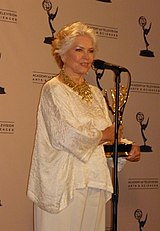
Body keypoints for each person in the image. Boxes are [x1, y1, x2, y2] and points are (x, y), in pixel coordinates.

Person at [27, 21, 140, 231]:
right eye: (79, 50)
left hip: (94, 181)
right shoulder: (54, 89)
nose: (87, 57)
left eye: (90, 51)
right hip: (65, 185)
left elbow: (108, 135)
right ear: (62, 54)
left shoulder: (96, 94)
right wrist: (105, 135)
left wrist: (125, 147)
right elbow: (65, 136)